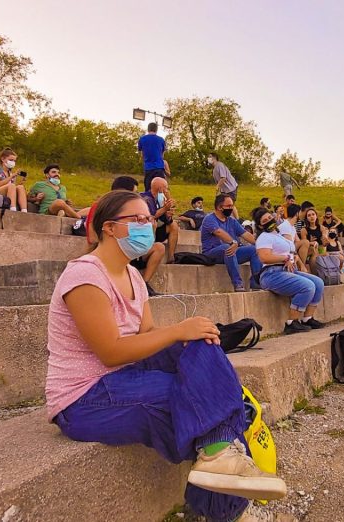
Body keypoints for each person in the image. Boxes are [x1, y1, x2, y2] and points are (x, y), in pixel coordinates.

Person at [47, 190, 287, 522]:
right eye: (138, 220)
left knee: (201, 342)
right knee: (195, 402)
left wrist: (186, 333)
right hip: (84, 398)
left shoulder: (133, 275)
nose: (148, 225)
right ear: (109, 227)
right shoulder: (84, 275)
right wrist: (176, 331)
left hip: (125, 376)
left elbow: (146, 336)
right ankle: (226, 508)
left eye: (149, 219)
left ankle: (218, 455)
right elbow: (110, 352)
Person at [253, 209, 326, 335]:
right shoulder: (264, 237)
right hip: (272, 273)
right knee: (308, 286)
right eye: (265, 221)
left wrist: (295, 259)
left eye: (270, 217)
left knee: (318, 283)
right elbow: (264, 257)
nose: (269, 221)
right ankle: (291, 322)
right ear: (260, 225)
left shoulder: (280, 236)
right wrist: (284, 258)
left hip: (289, 270)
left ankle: (307, 318)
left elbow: (290, 253)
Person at [201, 194, 263, 292]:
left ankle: (256, 282)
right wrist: (233, 242)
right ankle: (238, 283)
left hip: (231, 252)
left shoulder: (231, 221)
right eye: (229, 206)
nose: (231, 208)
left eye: (232, 206)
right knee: (227, 247)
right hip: (211, 253)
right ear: (219, 207)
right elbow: (218, 232)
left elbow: (246, 234)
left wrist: (262, 245)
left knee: (254, 250)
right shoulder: (209, 219)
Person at [140, 177, 179, 264]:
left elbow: (163, 219)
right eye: (166, 188)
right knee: (152, 222)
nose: (167, 191)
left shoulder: (159, 199)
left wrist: (167, 215)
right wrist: (165, 208)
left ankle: (171, 257)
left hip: (156, 230)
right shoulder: (145, 198)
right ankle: (148, 254)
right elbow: (151, 216)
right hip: (146, 231)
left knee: (174, 225)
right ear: (161, 188)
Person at [0, 148, 28, 212]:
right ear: (3, 159)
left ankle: (24, 210)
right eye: (11, 160)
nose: (13, 162)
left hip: (6, 194)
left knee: (20, 187)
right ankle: (12, 209)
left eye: (14, 161)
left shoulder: (11, 174)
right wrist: (11, 177)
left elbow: (12, 189)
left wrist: (20, 183)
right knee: (11, 186)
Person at [279, 204, 312, 271]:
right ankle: (301, 268)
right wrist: (302, 265)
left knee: (312, 249)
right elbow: (290, 248)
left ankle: (313, 271)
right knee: (305, 242)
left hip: (292, 249)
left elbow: (298, 241)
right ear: (297, 214)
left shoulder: (292, 226)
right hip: (284, 252)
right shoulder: (285, 226)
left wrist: (312, 243)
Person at [139, 122, 167, 192]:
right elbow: (162, 154)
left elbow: (142, 154)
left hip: (148, 167)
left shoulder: (142, 139)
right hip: (159, 167)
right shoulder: (161, 140)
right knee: (161, 189)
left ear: (148, 129)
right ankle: (161, 202)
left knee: (148, 189)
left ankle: (149, 202)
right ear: (156, 129)